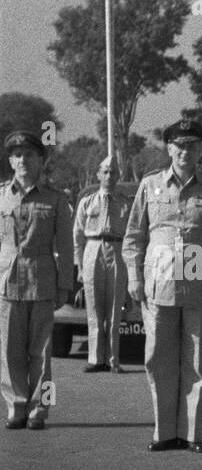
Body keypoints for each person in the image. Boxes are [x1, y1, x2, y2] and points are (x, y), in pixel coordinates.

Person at [122, 118, 202, 452]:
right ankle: (164, 432)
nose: (185, 151)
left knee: (198, 362)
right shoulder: (150, 185)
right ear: (169, 148)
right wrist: (133, 276)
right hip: (158, 286)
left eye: (192, 145)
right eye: (179, 145)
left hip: (200, 287)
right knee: (158, 359)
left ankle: (192, 434)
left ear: (201, 148)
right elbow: (133, 237)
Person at [1, 131, 75, 430]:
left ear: (40, 160)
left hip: (42, 279)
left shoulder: (56, 199)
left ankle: (39, 409)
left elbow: (66, 246)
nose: (22, 160)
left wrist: (65, 284)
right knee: (8, 351)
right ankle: (15, 406)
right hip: (6, 279)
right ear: (10, 160)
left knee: (42, 354)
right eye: (17, 155)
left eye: (29, 155)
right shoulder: (2, 195)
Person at [72, 156, 131, 373]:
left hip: (117, 250)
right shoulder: (87, 202)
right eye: (105, 172)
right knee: (94, 308)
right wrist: (79, 266)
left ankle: (113, 360)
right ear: (98, 175)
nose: (109, 176)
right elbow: (77, 235)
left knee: (115, 308)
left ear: (118, 176)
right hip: (92, 249)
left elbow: (132, 235)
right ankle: (96, 359)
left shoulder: (126, 203)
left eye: (113, 172)